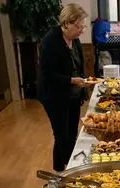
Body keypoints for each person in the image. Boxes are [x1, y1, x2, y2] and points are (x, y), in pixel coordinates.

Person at [38, 4, 92, 172]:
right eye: (79, 26)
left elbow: (79, 66)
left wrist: (82, 83)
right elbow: (47, 75)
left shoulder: (74, 40)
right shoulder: (50, 41)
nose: (82, 30)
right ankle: (59, 173)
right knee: (61, 136)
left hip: (73, 95)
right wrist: (71, 80)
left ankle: (72, 168)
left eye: (83, 26)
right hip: (55, 96)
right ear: (67, 23)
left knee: (72, 134)